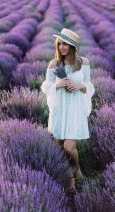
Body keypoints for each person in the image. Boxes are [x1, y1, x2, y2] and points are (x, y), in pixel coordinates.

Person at [40, 28, 95, 194]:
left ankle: (77, 169)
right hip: (60, 109)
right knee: (60, 148)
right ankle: (70, 179)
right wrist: (57, 85)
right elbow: (45, 86)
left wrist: (80, 86)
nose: (62, 47)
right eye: (60, 44)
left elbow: (89, 85)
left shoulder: (83, 62)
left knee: (69, 147)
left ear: (73, 46)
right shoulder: (55, 64)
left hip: (75, 109)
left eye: (66, 44)